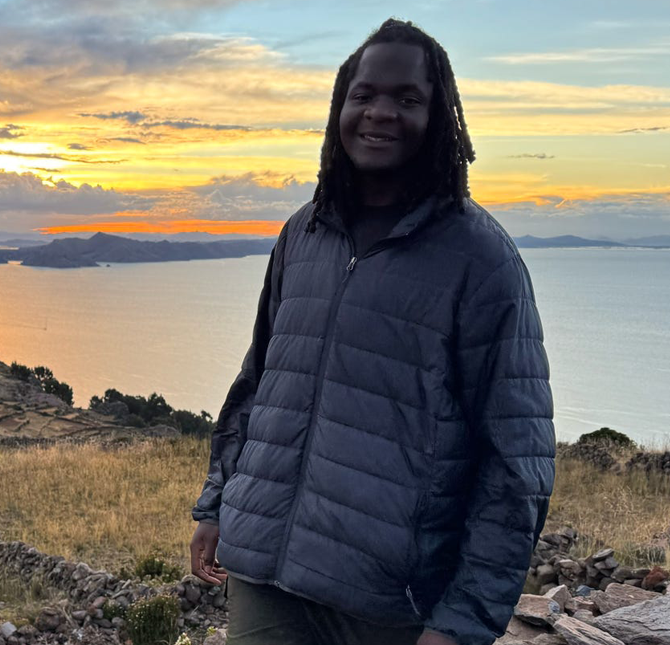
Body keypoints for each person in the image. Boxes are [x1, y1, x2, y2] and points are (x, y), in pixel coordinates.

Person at [190, 18, 555, 645]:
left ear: (439, 117)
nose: (379, 113)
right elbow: (257, 386)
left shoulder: (481, 260)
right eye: (364, 95)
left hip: (389, 601)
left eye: (406, 98)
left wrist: (464, 621)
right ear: (341, 105)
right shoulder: (301, 235)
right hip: (266, 577)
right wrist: (217, 503)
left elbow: (516, 461)